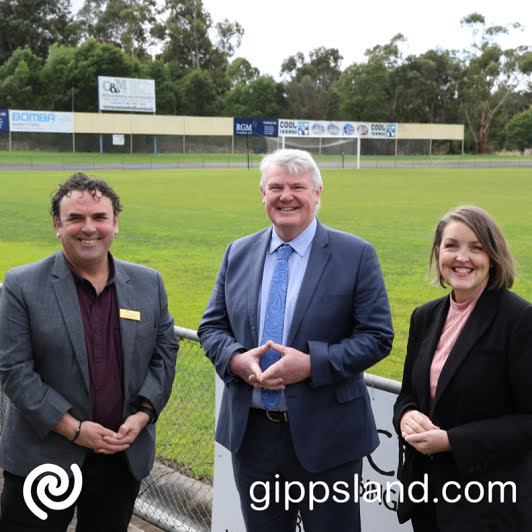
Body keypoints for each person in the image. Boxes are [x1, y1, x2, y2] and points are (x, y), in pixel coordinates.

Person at [198, 149, 393, 531]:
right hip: (253, 439)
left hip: (329, 440)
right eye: (276, 187)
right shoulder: (237, 252)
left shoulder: (355, 255)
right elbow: (211, 328)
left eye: (298, 187)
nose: (286, 196)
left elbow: (377, 337)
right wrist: (238, 360)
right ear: (262, 193)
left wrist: (310, 364)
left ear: (318, 193)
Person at [0, 172, 179, 531]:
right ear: (57, 225)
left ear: (115, 223)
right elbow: (14, 370)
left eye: (99, 217)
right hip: (44, 456)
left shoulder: (148, 283)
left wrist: (143, 415)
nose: (89, 228)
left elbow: (165, 352)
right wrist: (74, 429)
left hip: (119, 456)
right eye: (75, 218)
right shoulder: (21, 285)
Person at [393, 205, 532, 531]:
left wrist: (452, 441)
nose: (462, 257)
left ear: (493, 257)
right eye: (451, 245)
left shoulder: (519, 320)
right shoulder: (424, 316)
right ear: (438, 253)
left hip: (489, 504)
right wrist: (405, 416)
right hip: (427, 498)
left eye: (476, 247)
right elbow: (408, 395)